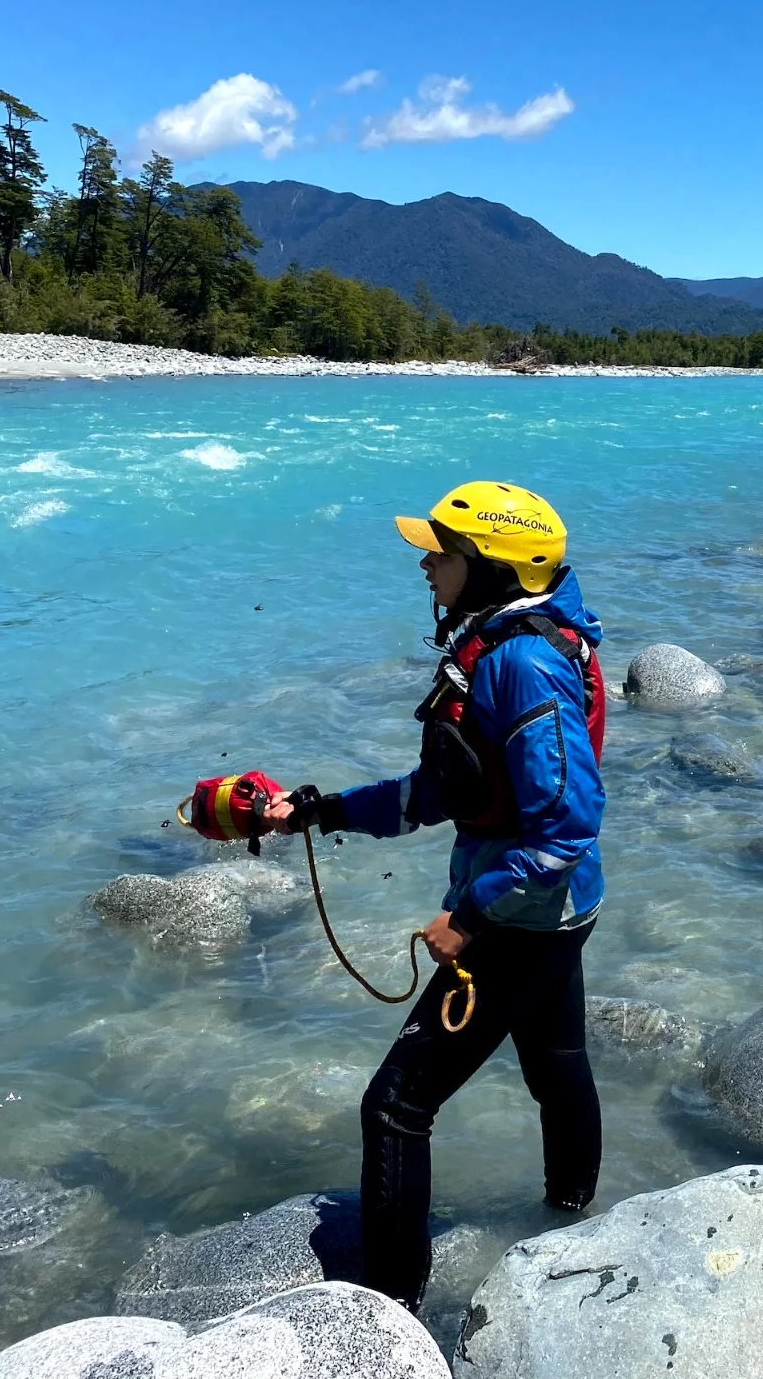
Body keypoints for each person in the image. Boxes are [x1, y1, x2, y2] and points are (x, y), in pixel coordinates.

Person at [264, 480, 607, 1311]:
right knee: (557, 1068)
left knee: (394, 1107)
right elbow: (439, 792)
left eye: (441, 554)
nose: (426, 565)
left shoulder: (522, 664)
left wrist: (471, 916)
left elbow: (567, 825)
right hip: (557, 910)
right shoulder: (506, 647)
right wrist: (322, 811)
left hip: (521, 916)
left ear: (492, 568)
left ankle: (390, 1314)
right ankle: (576, 1219)